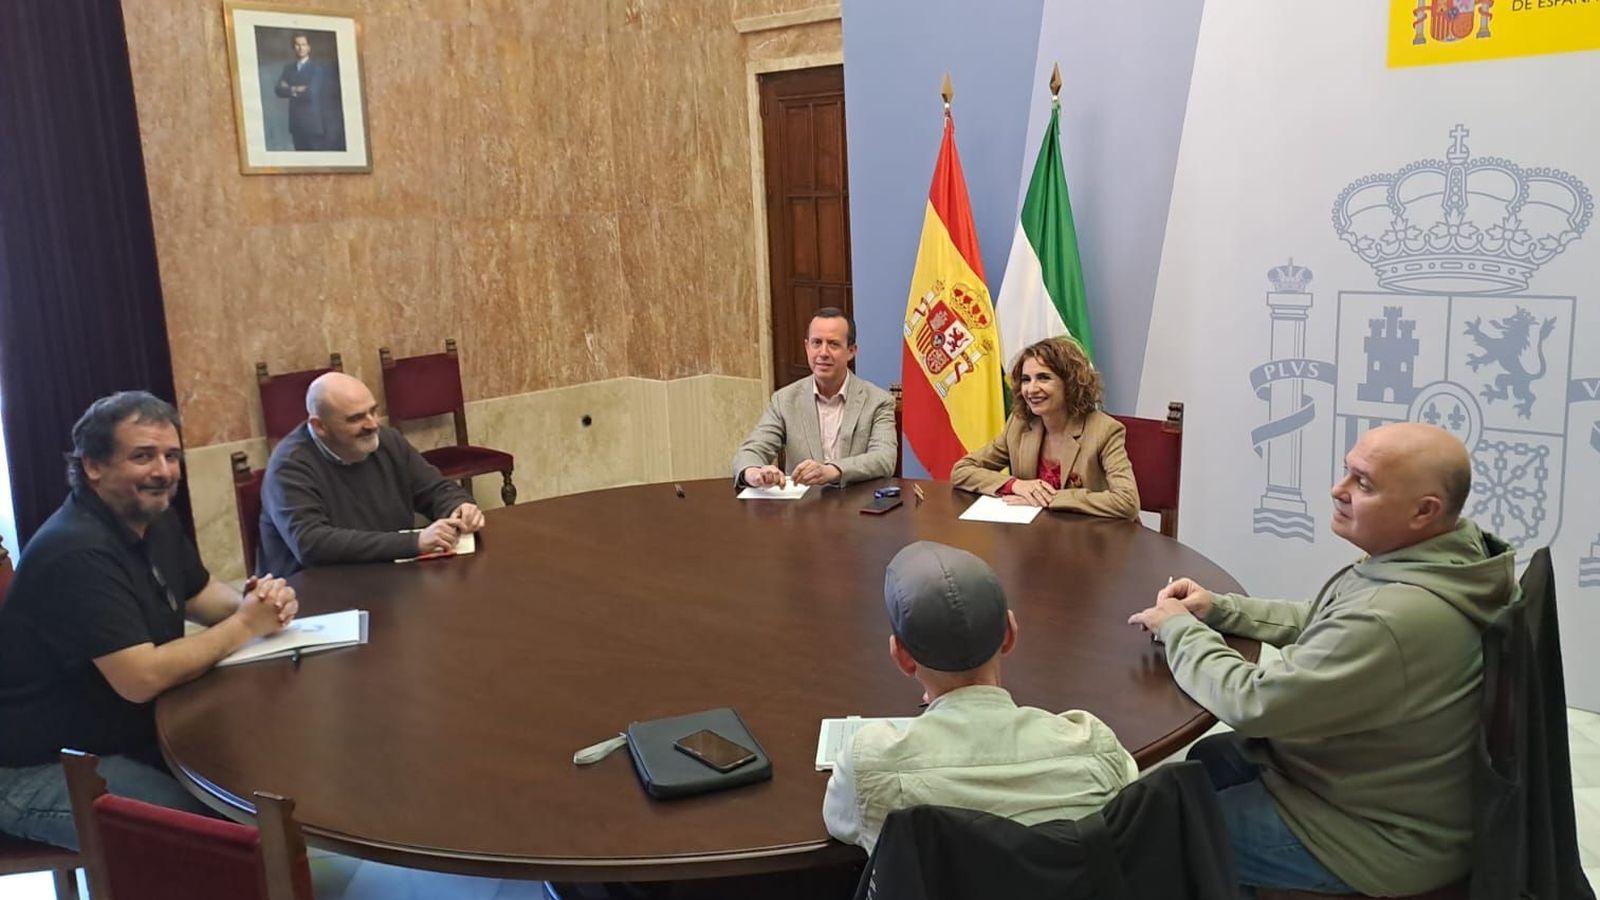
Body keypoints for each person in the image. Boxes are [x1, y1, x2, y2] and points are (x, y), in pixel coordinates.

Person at [1127, 422, 1514, 897]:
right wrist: (1222, 609)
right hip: (1368, 785)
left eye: (1362, 483)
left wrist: (1178, 629)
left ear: (1424, 511)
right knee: (1208, 759)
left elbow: (1254, 703)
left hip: (1371, 835)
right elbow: (1327, 618)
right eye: (1346, 471)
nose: (1338, 489)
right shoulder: (1443, 557)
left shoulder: (1392, 617)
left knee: (1163, 836)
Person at [0, 391, 298, 850]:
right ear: (93, 466)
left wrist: (262, 603)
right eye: (143, 456)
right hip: (37, 766)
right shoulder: (76, 550)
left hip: (122, 734)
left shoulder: (153, 519)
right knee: (220, 838)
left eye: (171, 456)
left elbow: (199, 594)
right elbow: (141, 678)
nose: (163, 471)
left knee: (250, 772)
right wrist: (244, 624)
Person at [823, 541, 1138, 852]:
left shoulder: (872, 769)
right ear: (1010, 633)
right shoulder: (1094, 748)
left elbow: (839, 822)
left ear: (902, 657)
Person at [257, 372, 483, 576]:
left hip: (386, 576)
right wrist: (413, 542)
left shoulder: (388, 441)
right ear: (319, 427)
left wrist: (458, 507)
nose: (372, 424)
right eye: (356, 418)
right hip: (314, 590)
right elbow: (311, 544)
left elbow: (435, 489)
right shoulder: (289, 465)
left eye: (373, 411)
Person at [950, 336, 1138, 518]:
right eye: (1026, 379)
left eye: (1043, 378)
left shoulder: (1105, 430)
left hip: (1091, 534)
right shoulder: (1020, 424)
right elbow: (962, 470)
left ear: (1070, 383)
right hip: (1036, 531)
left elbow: (1127, 501)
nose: (1031, 389)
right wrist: (1014, 485)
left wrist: (1049, 498)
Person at [732, 308, 897, 489]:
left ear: (851, 351)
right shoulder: (784, 400)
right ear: (807, 347)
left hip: (856, 502)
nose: (823, 352)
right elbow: (751, 450)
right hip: (803, 504)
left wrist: (832, 470)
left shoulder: (878, 401)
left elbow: (884, 458)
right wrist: (755, 473)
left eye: (833, 344)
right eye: (817, 343)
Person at [274, 32, 343, 152]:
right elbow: (278, 90)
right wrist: (296, 89)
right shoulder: (288, 69)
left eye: (303, 44)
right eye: (297, 45)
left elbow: (311, 93)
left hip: (313, 124)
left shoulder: (317, 68)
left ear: (309, 47)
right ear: (293, 47)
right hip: (296, 124)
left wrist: (289, 88)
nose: (300, 48)